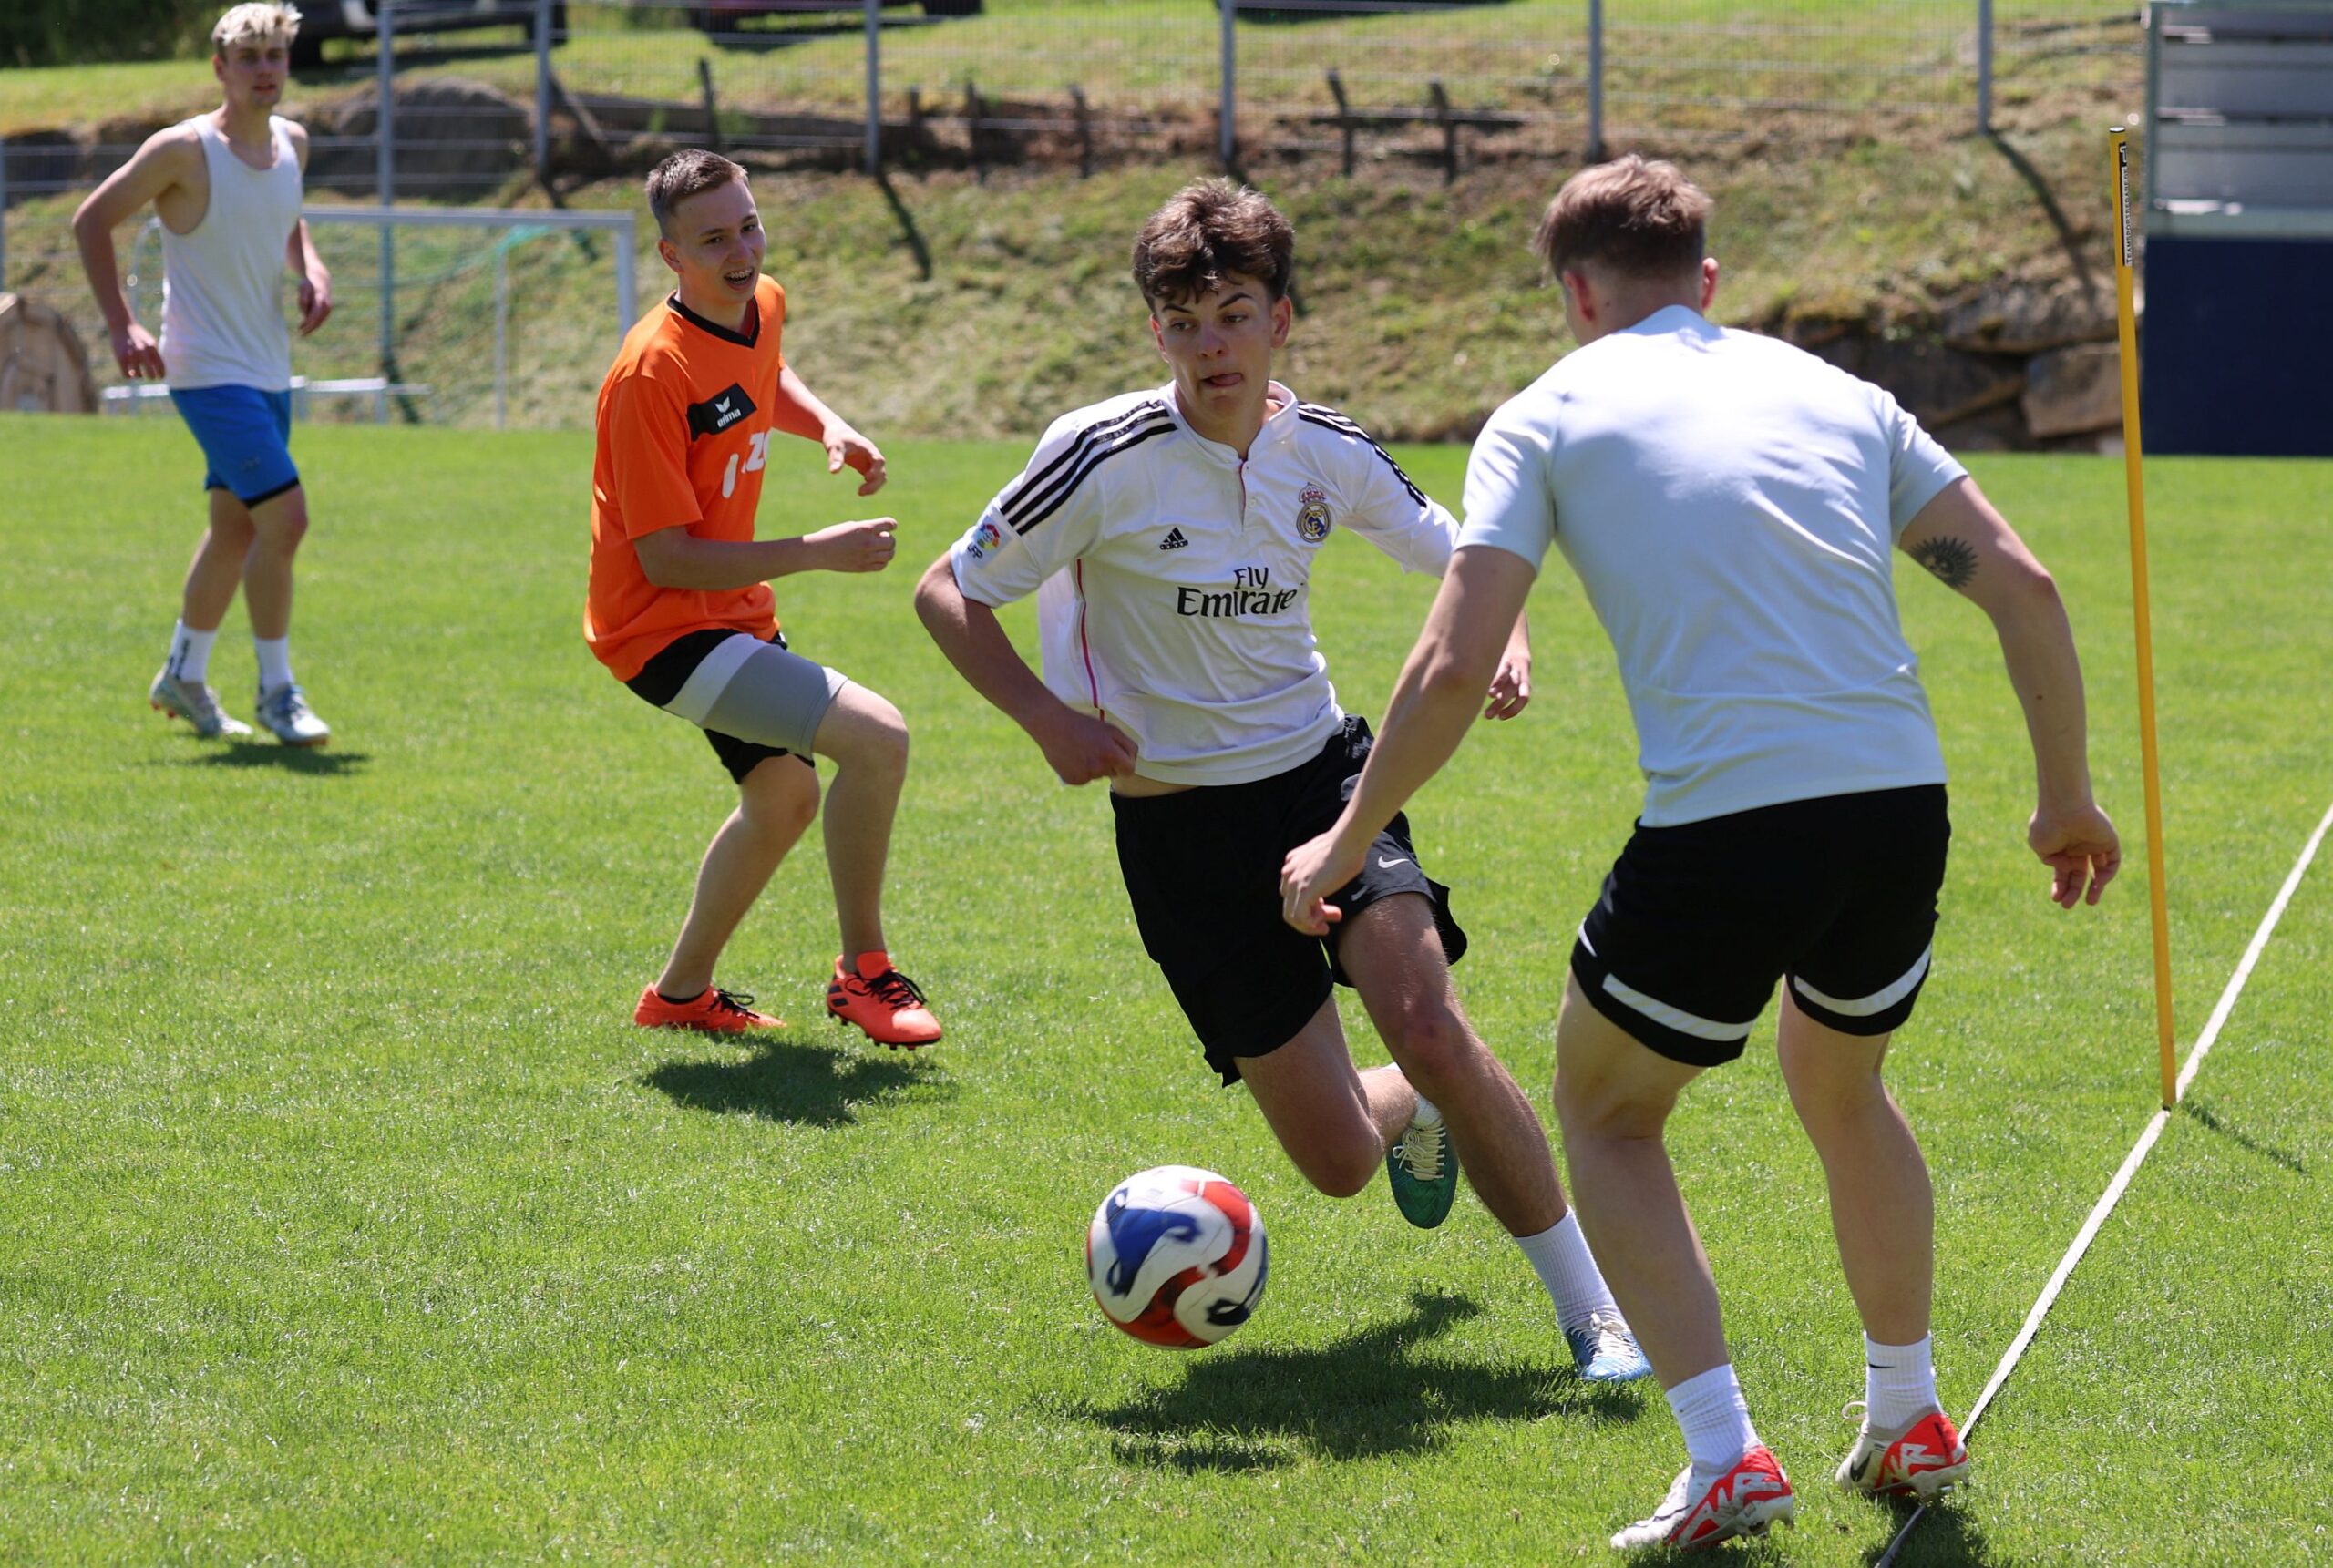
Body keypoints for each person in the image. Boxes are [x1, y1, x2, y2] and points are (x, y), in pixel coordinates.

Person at [1279, 155, 2122, 1550]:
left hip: (1734, 820)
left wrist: (1344, 840)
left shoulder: (1546, 413)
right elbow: (2022, 586)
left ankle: (1725, 1453)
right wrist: (2065, 799)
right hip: (1898, 806)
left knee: (1609, 1112)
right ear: (1709, 281)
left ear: (1574, 292)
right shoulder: (1839, 394)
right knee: (1842, 1083)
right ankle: (1906, 1409)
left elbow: (1451, 664)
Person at [915, 179, 1650, 1382]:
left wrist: (1507, 634)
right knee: (1341, 1161)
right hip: (1179, 836)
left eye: (1234, 316)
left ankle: (1595, 1316)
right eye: (1184, 323)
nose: (1212, 346)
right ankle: (1411, 1110)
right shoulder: (1099, 455)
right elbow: (949, 588)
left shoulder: (1325, 449)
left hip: (1323, 783)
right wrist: (1046, 718)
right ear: (1156, 333)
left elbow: (1466, 551)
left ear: (1280, 320)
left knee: (1429, 1023)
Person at [587, 149, 940, 1049]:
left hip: (726, 615)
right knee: (879, 737)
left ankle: (678, 995)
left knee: (783, 798)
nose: (741, 251)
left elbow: (762, 374)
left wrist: (830, 426)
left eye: (748, 226)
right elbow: (666, 559)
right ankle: (863, 971)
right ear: (671, 255)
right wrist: (817, 552)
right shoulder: (649, 374)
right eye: (713, 239)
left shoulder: (761, 303)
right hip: (659, 629)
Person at [73, 2, 334, 746]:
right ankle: (278, 692)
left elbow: (287, 219)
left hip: (267, 365)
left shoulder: (293, 143)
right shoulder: (183, 151)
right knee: (286, 519)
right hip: (205, 369)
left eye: (275, 56)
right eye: (248, 58)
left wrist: (311, 269)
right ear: (220, 68)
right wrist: (122, 323)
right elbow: (92, 220)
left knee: (235, 528)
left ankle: (183, 675)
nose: (264, 70)